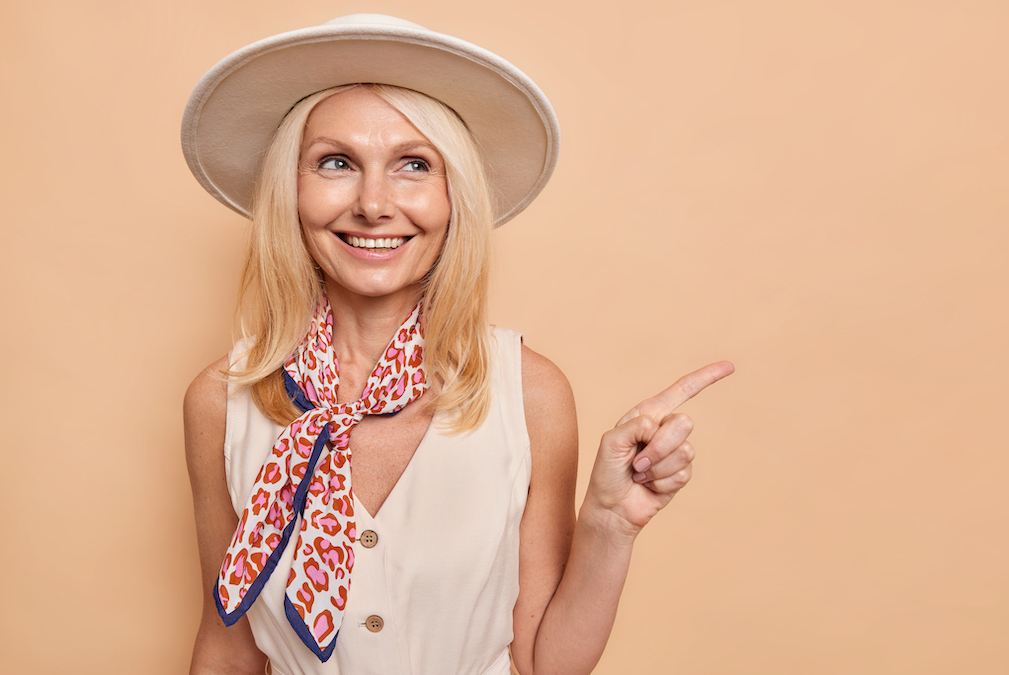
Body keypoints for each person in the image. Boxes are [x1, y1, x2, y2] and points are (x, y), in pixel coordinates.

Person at [182, 14, 733, 675]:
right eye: (336, 162)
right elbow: (231, 642)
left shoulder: (530, 393)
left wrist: (610, 522)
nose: (375, 203)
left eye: (414, 164)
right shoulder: (220, 402)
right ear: (290, 191)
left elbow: (543, 662)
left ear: (454, 196)